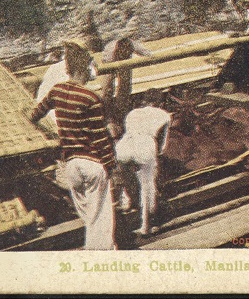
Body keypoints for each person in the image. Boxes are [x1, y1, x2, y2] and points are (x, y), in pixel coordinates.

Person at [28, 39, 116, 250]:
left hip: (72, 166)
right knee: (101, 215)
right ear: (84, 68)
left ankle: (97, 247)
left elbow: (35, 114)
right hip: (92, 163)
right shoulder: (91, 98)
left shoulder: (56, 91)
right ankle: (100, 254)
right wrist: (111, 165)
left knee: (88, 214)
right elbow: (100, 138)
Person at [114, 89, 171, 236]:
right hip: (145, 145)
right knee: (147, 184)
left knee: (126, 175)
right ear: (160, 102)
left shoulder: (132, 113)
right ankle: (146, 225)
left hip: (125, 146)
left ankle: (126, 201)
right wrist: (156, 157)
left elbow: (127, 131)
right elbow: (162, 146)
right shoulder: (164, 115)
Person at [98, 34, 154, 137]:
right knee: (107, 90)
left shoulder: (133, 45)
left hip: (124, 63)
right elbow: (105, 69)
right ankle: (107, 116)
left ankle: (121, 114)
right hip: (109, 63)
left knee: (125, 87)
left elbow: (147, 54)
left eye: (127, 53)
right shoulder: (109, 51)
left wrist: (150, 57)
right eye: (123, 53)